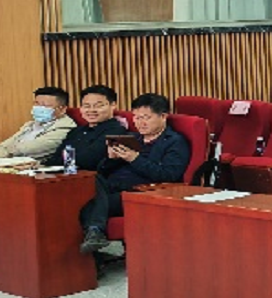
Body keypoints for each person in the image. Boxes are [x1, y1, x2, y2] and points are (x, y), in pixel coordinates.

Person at [78, 94, 192, 254]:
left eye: (146, 117)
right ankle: (94, 238)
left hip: (140, 191)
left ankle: (95, 233)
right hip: (112, 186)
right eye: (136, 117)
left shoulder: (175, 142)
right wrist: (111, 159)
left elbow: (169, 175)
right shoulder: (132, 138)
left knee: (87, 205)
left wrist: (134, 159)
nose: (140, 123)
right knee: (88, 181)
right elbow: (104, 170)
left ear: (163, 116)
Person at [0, 86, 76, 161]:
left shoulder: (66, 128)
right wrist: (3, 152)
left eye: (45, 105)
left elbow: (26, 150)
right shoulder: (30, 125)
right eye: (37, 103)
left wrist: (6, 152)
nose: (39, 108)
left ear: (62, 109)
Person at [54, 85, 123, 172]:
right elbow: (54, 159)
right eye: (86, 106)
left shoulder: (117, 132)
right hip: (66, 176)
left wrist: (65, 160)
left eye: (98, 106)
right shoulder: (76, 131)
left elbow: (89, 161)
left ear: (113, 105)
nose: (91, 110)